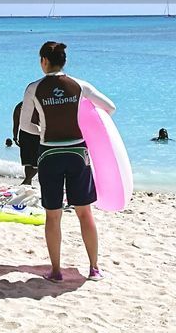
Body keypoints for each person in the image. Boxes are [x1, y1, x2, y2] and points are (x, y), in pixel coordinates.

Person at [19, 41, 116, 282]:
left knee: (53, 215)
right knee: (85, 213)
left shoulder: (34, 88)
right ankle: (94, 268)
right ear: (64, 61)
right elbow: (110, 108)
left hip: (49, 154)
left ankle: (56, 271)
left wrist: (43, 130)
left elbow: (25, 126)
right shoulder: (79, 85)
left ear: (43, 61)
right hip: (77, 154)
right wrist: (85, 124)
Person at [8, 98, 40, 187]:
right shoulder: (36, 107)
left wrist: (15, 137)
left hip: (23, 135)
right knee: (37, 162)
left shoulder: (18, 106)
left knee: (28, 161)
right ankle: (27, 180)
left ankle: (27, 182)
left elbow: (16, 124)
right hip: (36, 134)